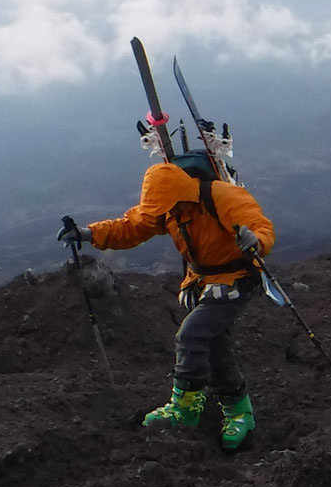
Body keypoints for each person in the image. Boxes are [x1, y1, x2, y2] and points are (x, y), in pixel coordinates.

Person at [63, 150, 275, 450]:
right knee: (214, 344)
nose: (164, 214)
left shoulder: (223, 196)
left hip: (235, 278)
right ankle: (239, 413)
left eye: (167, 208)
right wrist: (86, 234)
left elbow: (262, 227)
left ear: (181, 194)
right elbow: (132, 226)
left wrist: (256, 240)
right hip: (201, 280)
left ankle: (185, 408)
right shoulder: (168, 205)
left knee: (192, 334)